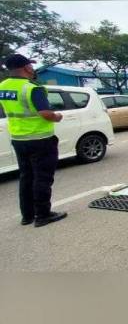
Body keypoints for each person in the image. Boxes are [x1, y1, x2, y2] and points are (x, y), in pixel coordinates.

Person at [0, 54, 67, 227]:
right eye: (30, 65)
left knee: (26, 176)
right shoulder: (31, 88)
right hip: (40, 139)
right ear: (26, 68)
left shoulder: (3, 87)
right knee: (42, 178)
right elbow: (45, 113)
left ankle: (27, 215)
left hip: (18, 139)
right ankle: (43, 215)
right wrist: (57, 116)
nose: (33, 68)